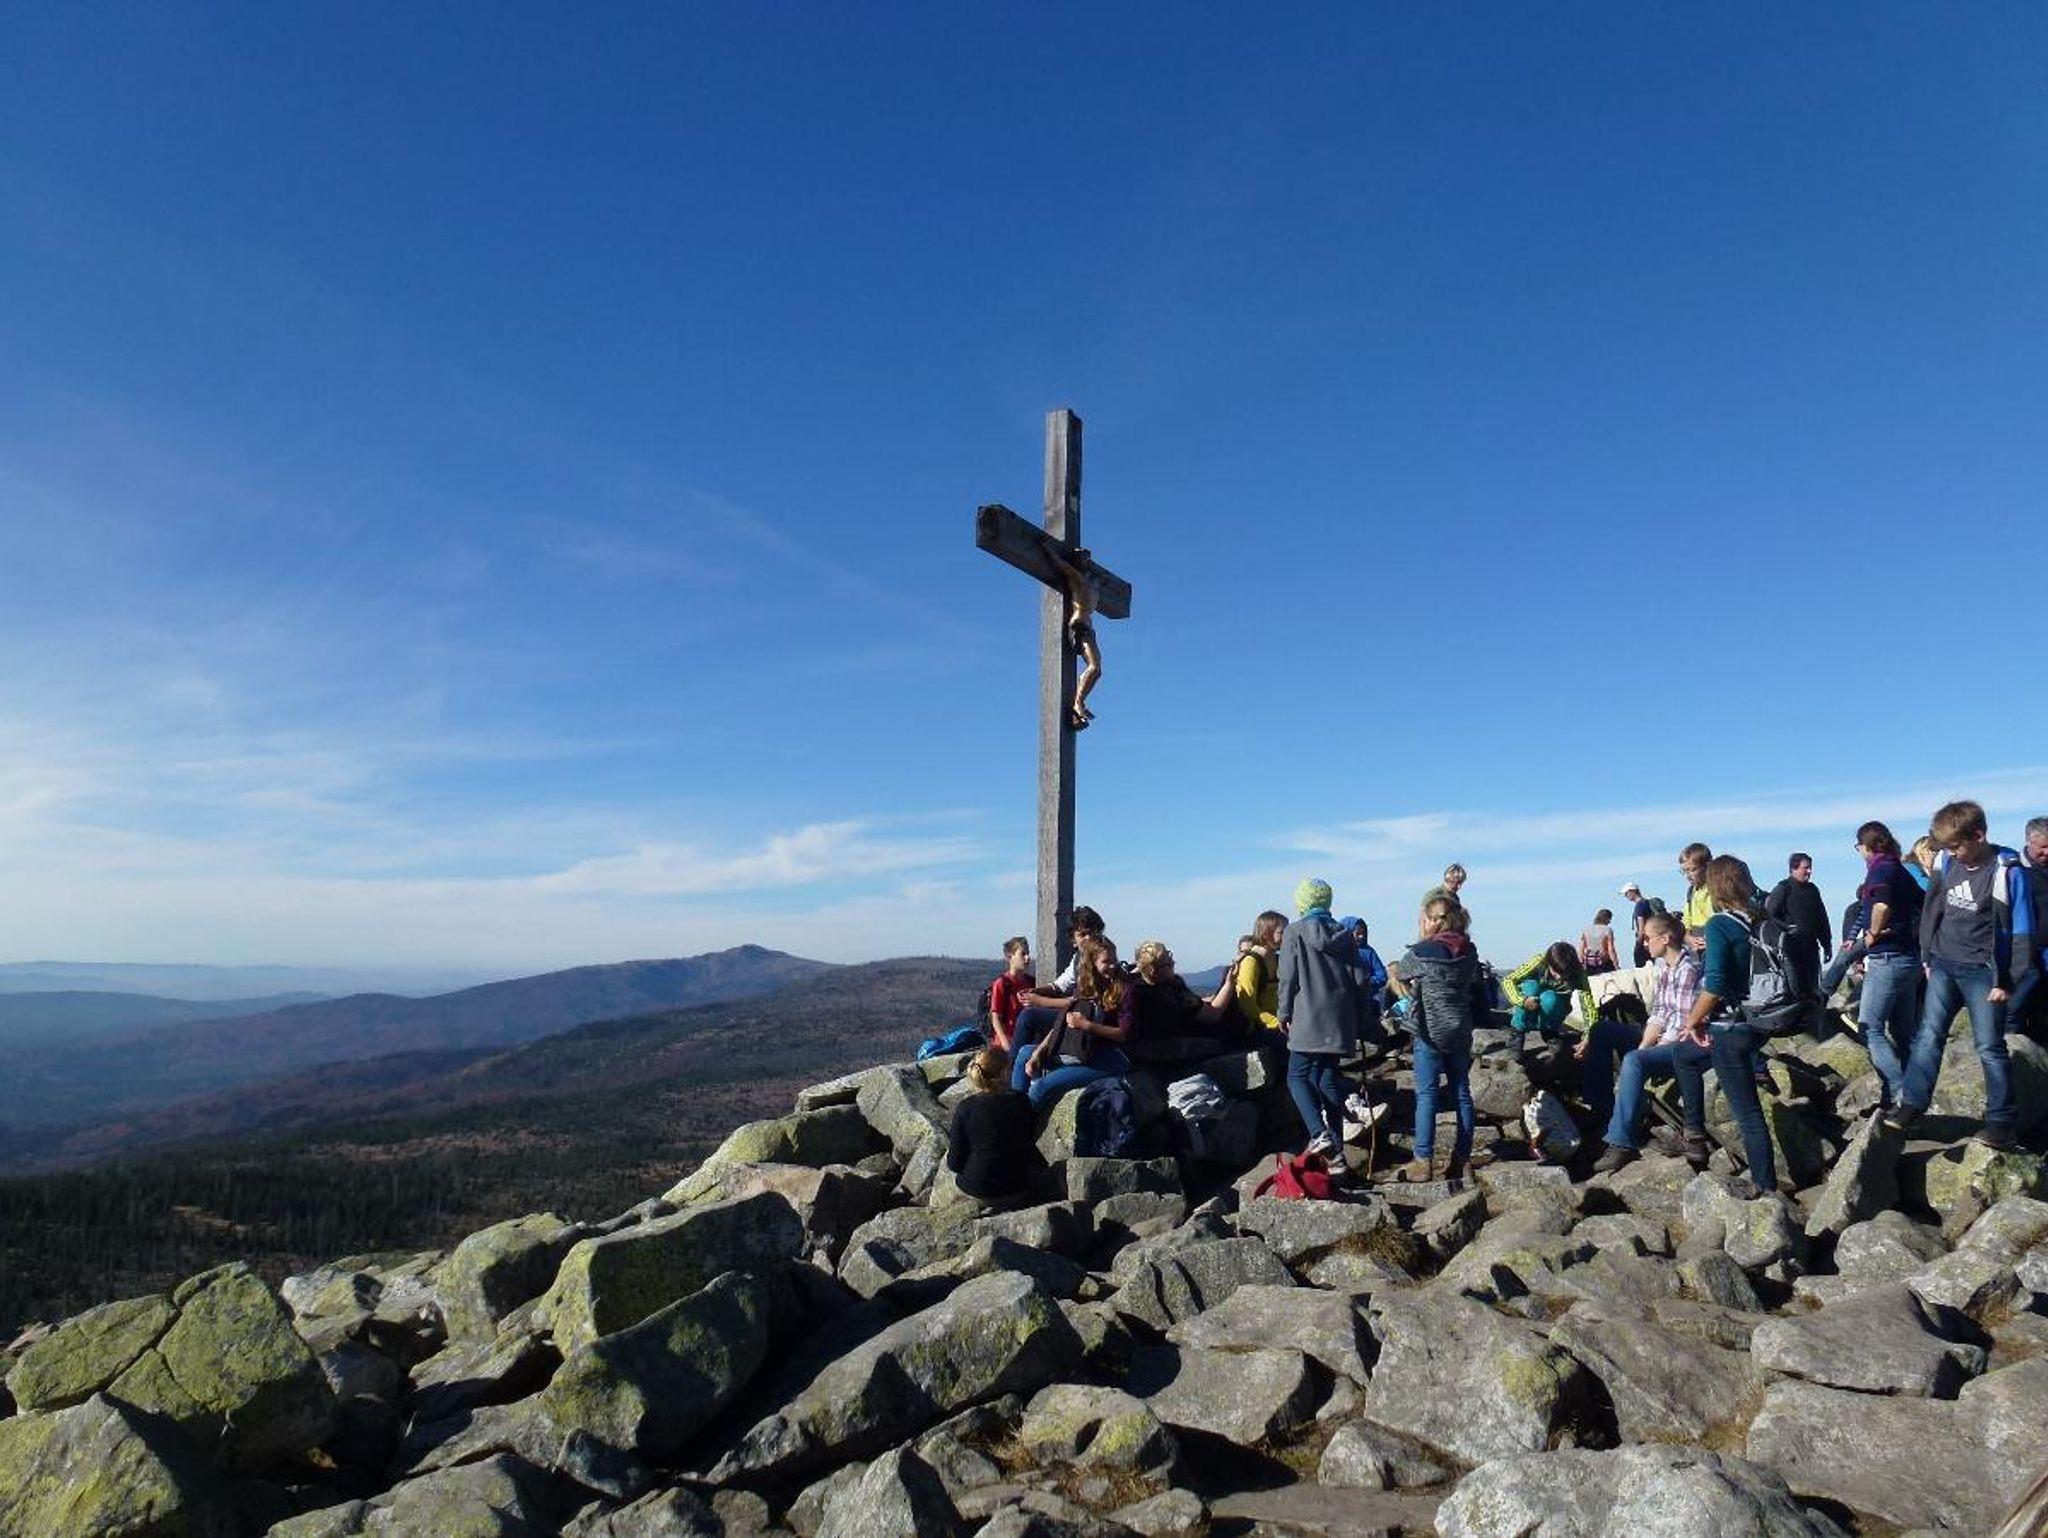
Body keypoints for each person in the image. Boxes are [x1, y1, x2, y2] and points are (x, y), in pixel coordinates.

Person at [1889, 800, 2035, 1149]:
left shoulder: (2008, 872)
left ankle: (2001, 1124)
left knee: (1990, 1046)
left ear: (1978, 835)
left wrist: (2008, 981)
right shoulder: (1945, 862)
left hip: (1985, 972)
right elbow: (1932, 908)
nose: (1952, 853)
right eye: (1947, 847)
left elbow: (2022, 931)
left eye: (1956, 846)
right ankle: (1911, 1105)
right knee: (1928, 1035)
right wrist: (1927, 955)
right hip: (1943, 963)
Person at [1678, 855, 1779, 1195]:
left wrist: (1693, 1020)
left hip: (1730, 1026)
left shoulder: (1720, 925)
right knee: (1684, 1056)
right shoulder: (1762, 918)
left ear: (1714, 887)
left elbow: (1716, 983)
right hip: (1761, 1019)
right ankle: (1694, 1127)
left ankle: (1765, 1188)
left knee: (1749, 1115)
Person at [1591, 911, 1712, 1171]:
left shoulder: (1688, 969)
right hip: (1666, 1034)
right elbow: (1658, 1014)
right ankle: (1603, 1110)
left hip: (1684, 1042)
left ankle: (1621, 1143)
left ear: (1665, 939)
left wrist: (1649, 1051)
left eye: (1647, 938)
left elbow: (1682, 1023)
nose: (1643, 943)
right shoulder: (1665, 969)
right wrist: (1645, 1046)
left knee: (1634, 1061)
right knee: (1602, 1030)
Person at [1388, 897, 1492, 1181]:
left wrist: (1423, 937)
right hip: (1460, 1027)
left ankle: (1423, 1161)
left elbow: (1401, 971)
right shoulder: (1468, 950)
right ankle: (1462, 1158)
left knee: (1427, 1094)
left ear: (1434, 920)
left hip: (1430, 1029)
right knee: (1462, 1093)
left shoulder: (1423, 950)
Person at [1276, 878, 1364, 1170]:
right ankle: (1337, 1159)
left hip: (1307, 1018)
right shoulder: (1345, 935)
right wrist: (1361, 1018)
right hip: (1340, 1021)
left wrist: (1283, 1013)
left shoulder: (1294, 932)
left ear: (1301, 902)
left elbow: (1288, 978)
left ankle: (1319, 1134)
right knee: (1327, 1080)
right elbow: (1360, 980)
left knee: (1296, 1076)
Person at [1848, 821, 1923, 1113]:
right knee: (1904, 1032)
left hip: (1887, 959)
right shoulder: (1899, 869)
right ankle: (1911, 1094)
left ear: (1867, 845)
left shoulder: (1880, 871)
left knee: (1870, 1029)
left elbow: (1881, 905)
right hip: (1909, 959)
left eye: (1858, 846)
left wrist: (1873, 933)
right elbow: (1924, 903)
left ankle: (1899, 1093)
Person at [1019, 935, 1134, 1107]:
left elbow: (1125, 1034)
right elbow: (1061, 1024)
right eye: (1106, 962)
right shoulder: (1086, 987)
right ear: (1091, 964)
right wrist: (1038, 1052)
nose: (1112, 966)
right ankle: (1013, 1104)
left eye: (1113, 960)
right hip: (1083, 1050)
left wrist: (1087, 1025)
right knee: (1024, 1054)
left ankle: (1022, 1118)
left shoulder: (1125, 989)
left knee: (1041, 1087)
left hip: (1110, 1057)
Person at [1009, 906, 1106, 1069]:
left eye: (1092, 933)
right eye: (1083, 934)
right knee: (1032, 1025)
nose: (1089, 938)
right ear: (1073, 940)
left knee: (1029, 1017)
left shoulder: (1103, 962)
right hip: (1075, 1014)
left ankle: (1010, 1068)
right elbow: (1060, 986)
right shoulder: (1078, 959)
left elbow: (1080, 1001)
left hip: (1087, 1020)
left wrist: (1039, 1001)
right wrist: (1036, 991)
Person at [945, 1045, 1034, 1206]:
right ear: (1004, 1073)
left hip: (978, 1189)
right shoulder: (1022, 1101)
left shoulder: (965, 1108)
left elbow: (954, 1163)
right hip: (1017, 1187)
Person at [1129, 940, 1237, 1044]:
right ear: (1154, 971)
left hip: (1154, 1046)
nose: (1173, 963)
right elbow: (1212, 1015)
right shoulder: (1172, 994)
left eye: (1170, 956)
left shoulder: (1137, 987)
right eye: (1168, 964)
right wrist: (1229, 984)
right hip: (1183, 1044)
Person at [1500, 942, 1601, 1052]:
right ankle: (1517, 1032)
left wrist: (1588, 1037)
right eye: (1556, 972)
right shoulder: (1539, 960)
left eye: (1564, 973)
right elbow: (1508, 981)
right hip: (1529, 1003)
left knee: (1550, 998)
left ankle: (1549, 1032)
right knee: (1531, 987)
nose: (1559, 977)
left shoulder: (1578, 972)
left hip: (1554, 1009)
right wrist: (1522, 1001)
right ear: (1548, 963)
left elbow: (1588, 1005)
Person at [1046, 544, 1104, 730]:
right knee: (1094, 667)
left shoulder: (1092, 583)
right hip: (1079, 627)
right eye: (1080, 556)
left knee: (1097, 669)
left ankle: (1079, 703)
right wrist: (1047, 547)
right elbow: (1059, 564)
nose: (1084, 559)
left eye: (1086, 556)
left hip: (1089, 629)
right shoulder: (1076, 577)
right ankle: (1078, 703)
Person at [2009, 815, 2048, 1034]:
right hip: (2025, 949)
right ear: (2029, 841)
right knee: (2021, 1002)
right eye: (2043, 847)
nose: (2047, 852)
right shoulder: (2015, 871)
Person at [1231, 910, 1288, 1040]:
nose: (1287, 936)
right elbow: (1247, 1004)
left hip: (1276, 1022)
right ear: (1266, 934)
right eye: (1282, 932)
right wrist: (1274, 1022)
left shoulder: (1277, 959)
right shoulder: (1251, 962)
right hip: (1256, 1027)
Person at [1766, 853, 1834, 955]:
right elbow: (1770, 915)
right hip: (1790, 948)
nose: (1809, 871)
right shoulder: (1783, 888)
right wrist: (1787, 927)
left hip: (1811, 947)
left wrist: (1827, 945)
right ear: (1794, 868)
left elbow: (1821, 919)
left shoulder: (1813, 890)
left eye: (1810, 868)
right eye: (1806, 868)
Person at [986, 936, 1035, 1051]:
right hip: (1006, 1044)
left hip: (1025, 1041)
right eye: (1023, 954)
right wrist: (1004, 1042)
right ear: (1010, 957)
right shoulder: (1002, 984)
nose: (1027, 958)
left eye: (1028, 953)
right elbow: (996, 1017)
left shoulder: (1032, 982)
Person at [1523, 1088, 1582, 1165]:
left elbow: (1543, 1129)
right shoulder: (1548, 1097)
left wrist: (1534, 1146)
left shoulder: (1535, 1107)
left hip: (1561, 1146)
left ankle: (1537, 1151)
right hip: (1574, 1142)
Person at [1679, 843, 1714, 952]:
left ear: (1707, 866)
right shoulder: (1691, 892)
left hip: (1714, 942)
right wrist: (1687, 937)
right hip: (1697, 945)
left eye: (1692, 870)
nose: (1688, 876)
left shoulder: (1717, 889)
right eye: (1684, 871)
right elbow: (1686, 921)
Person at [1622, 882, 1656, 966]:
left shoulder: (1640, 905)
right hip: (1652, 938)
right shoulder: (1646, 902)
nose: (1626, 896)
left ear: (1632, 891)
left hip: (1644, 939)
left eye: (1626, 894)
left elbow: (1641, 925)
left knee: (1640, 963)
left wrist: (1639, 941)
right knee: (1650, 963)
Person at [1579, 909, 1620, 975]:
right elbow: (1611, 950)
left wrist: (1581, 963)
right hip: (1603, 963)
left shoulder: (1586, 930)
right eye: (1609, 919)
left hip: (1589, 963)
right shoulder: (1607, 930)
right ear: (1606, 918)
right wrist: (1616, 965)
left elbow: (1581, 950)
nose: (1610, 922)